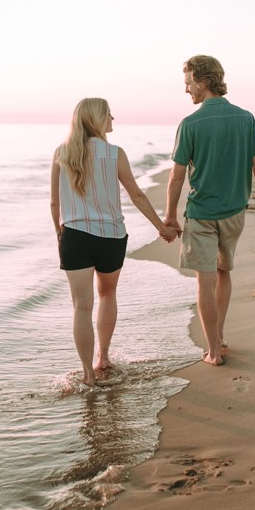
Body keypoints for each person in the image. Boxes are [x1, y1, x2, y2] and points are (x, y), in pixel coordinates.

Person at [51, 98, 179, 387]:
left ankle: (87, 374)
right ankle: (103, 358)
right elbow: (136, 195)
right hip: (110, 236)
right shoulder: (114, 154)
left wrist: (60, 236)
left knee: (81, 306)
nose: (113, 118)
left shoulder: (61, 153)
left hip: (75, 236)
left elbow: (54, 202)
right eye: (108, 114)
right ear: (97, 120)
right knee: (107, 295)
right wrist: (162, 228)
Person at [163, 55, 255, 366]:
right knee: (224, 271)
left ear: (203, 81)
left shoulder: (190, 124)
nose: (186, 90)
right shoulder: (245, 118)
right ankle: (221, 335)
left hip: (201, 215)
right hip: (235, 213)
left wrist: (171, 215)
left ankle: (213, 350)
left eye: (188, 83)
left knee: (205, 280)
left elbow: (176, 175)